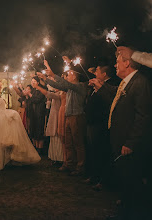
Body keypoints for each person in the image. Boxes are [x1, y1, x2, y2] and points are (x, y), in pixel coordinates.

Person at [89, 51, 151, 219]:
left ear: (127, 63)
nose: (115, 65)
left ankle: (132, 213)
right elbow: (115, 96)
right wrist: (101, 87)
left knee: (132, 182)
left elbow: (143, 117)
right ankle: (125, 208)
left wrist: (131, 143)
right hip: (120, 140)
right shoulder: (126, 83)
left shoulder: (140, 83)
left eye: (118, 61)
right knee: (125, 181)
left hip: (129, 144)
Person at [0, 60, 41, 172]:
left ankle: (8, 158)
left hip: (3, 116)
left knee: (6, 139)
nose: (0, 86)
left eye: (1, 85)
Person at [42, 59, 87, 176]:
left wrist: (52, 75)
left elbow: (64, 84)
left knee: (78, 143)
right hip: (68, 116)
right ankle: (70, 164)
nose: (68, 75)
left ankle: (80, 166)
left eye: (70, 73)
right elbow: (58, 85)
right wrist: (45, 79)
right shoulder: (70, 88)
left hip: (76, 116)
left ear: (76, 76)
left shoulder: (80, 86)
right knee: (68, 143)